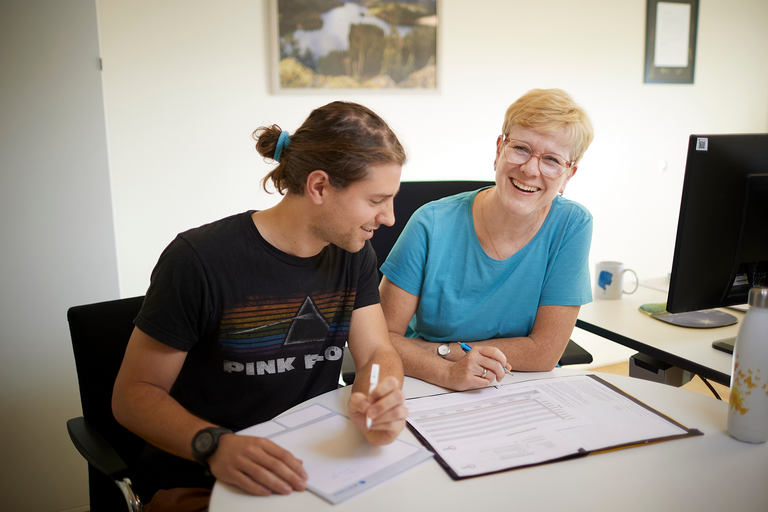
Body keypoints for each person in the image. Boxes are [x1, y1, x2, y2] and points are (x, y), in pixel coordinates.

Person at [112, 101, 409, 510]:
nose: (389, 217)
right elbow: (133, 394)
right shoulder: (199, 260)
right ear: (319, 187)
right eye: (377, 199)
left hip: (313, 467)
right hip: (204, 477)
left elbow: (377, 350)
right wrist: (215, 446)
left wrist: (379, 397)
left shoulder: (353, 252)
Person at [379, 88, 594, 391]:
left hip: (525, 387)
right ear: (498, 150)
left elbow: (545, 352)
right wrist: (445, 367)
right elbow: (381, 338)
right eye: (520, 148)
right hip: (430, 383)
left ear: (568, 176)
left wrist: (444, 350)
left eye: (551, 160)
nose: (531, 169)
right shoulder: (430, 223)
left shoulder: (572, 225)